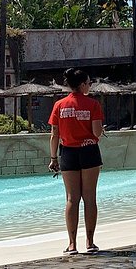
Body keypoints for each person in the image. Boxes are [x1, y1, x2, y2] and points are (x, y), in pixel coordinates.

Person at [48, 68, 105, 255]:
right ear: (82, 85)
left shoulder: (59, 105)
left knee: (72, 199)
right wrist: (100, 130)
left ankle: (72, 244)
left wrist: (53, 158)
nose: (90, 86)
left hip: (68, 153)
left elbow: (54, 134)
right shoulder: (93, 104)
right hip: (89, 151)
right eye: (88, 83)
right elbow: (96, 132)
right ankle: (90, 242)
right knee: (90, 198)